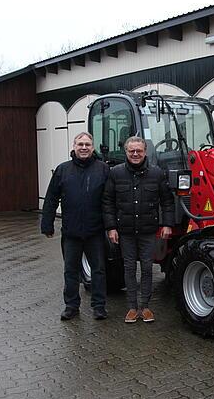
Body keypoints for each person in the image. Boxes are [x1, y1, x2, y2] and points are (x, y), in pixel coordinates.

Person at [102, 136, 174, 323]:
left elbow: (167, 201)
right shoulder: (116, 173)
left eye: (139, 151)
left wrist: (167, 224)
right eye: (131, 151)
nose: (135, 154)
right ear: (126, 152)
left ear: (145, 152)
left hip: (148, 230)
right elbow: (108, 202)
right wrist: (111, 227)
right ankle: (132, 308)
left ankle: (146, 307)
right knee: (129, 268)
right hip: (125, 231)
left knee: (148, 268)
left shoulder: (157, 173)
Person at [41, 132, 110, 320]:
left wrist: (112, 226)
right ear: (74, 146)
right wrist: (47, 225)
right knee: (70, 271)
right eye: (80, 144)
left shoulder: (103, 170)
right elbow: (51, 198)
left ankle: (99, 306)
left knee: (98, 270)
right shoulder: (62, 170)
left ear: (93, 147)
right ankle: (71, 306)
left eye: (87, 144)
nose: (84, 148)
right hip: (71, 232)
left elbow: (110, 200)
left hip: (95, 231)